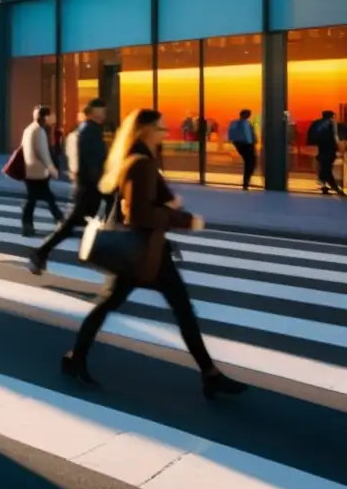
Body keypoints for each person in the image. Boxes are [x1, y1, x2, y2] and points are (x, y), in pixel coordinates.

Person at [62, 108, 248, 399]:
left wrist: (169, 200)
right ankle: (209, 374)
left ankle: (210, 373)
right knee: (176, 310)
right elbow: (139, 213)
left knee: (135, 307)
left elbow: (143, 202)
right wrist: (186, 220)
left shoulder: (138, 159)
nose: (165, 133)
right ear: (145, 131)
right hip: (142, 251)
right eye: (160, 129)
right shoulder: (141, 164)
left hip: (145, 251)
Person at [29, 99, 110, 274]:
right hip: (89, 189)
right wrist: (102, 183)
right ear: (92, 111)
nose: (104, 112)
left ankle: (41, 253)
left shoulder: (89, 130)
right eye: (101, 109)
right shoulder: (89, 131)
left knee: (72, 227)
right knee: (71, 226)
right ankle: (40, 253)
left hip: (87, 188)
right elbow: (92, 163)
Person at [19, 105, 64, 236]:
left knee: (34, 199)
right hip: (38, 171)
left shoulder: (28, 129)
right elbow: (43, 152)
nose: (53, 117)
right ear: (46, 117)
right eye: (51, 115)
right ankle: (61, 221)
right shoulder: (39, 131)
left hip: (29, 170)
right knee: (46, 198)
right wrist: (52, 168)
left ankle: (28, 226)